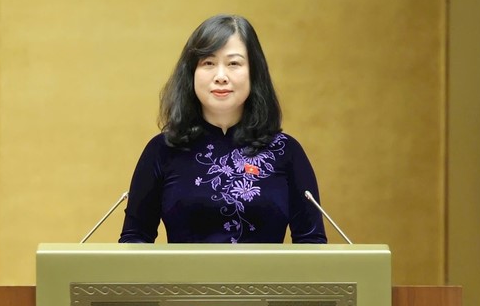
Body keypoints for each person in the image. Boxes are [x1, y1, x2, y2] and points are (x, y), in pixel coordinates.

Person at [119, 14, 327, 244]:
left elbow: (312, 244)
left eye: (233, 63)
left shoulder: (286, 151)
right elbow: (134, 240)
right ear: (191, 72)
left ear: (254, 72)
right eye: (208, 63)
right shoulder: (162, 150)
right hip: (184, 271)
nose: (220, 77)